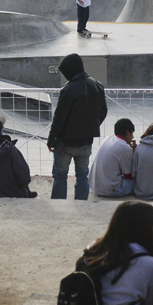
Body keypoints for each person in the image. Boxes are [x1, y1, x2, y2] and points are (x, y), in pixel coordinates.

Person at [47, 53, 108, 200]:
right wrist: (91, 126)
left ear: (71, 70)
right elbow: (103, 111)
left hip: (65, 143)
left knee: (60, 176)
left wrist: (51, 140)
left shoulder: (68, 89)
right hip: (86, 141)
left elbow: (59, 119)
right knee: (82, 175)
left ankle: (59, 204)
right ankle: (81, 204)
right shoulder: (97, 85)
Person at [91, 118, 138, 198]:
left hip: (96, 187)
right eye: (132, 133)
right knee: (140, 183)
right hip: (110, 190)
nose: (132, 137)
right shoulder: (125, 148)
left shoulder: (107, 138)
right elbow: (128, 175)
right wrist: (133, 154)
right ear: (127, 132)